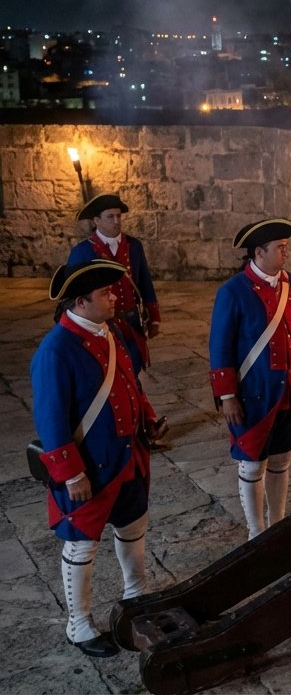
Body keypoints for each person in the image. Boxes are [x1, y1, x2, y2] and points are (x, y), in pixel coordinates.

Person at [32, 258, 169, 657]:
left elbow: (129, 382)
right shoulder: (56, 350)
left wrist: (147, 418)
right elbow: (52, 419)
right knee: (81, 547)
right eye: (105, 293)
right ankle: (79, 624)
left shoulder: (113, 332)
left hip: (127, 457)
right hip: (90, 467)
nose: (114, 298)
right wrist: (71, 474)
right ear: (80, 302)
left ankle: (136, 596)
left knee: (133, 529)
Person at [209, 218, 291, 539]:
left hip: (288, 391)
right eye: (280, 248)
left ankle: (278, 524)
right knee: (251, 464)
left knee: (281, 460)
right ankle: (256, 531)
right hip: (253, 393)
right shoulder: (232, 292)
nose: (285, 254)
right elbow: (220, 346)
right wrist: (228, 396)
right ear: (259, 252)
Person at [67, 193, 161, 368]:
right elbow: (72, 297)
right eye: (110, 217)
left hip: (132, 324)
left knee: (134, 368)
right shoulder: (81, 252)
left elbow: (145, 281)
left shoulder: (134, 246)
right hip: (102, 325)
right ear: (97, 221)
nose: (116, 221)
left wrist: (154, 317)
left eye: (118, 216)